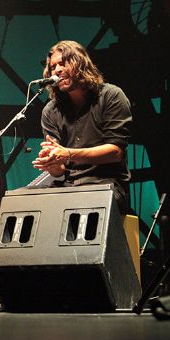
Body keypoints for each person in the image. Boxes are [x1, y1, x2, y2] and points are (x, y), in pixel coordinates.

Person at [32, 40, 132, 214]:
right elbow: (59, 171)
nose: (57, 70)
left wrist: (68, 153)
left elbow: (116, 152)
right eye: (53, 67)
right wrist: (52, 164)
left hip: (107, 186)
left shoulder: (111, 96)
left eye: (63, 63)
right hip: (69, 186)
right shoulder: (50, 110)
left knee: (83, 207)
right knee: (21, 201)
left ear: (80, 63)